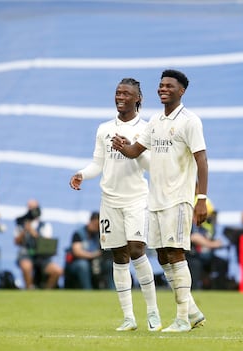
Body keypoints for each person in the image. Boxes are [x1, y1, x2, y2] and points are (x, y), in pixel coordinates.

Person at [112, 69, 208, 332]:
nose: (163, 89)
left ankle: (181, 319)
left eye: (169, 85)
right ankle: (192, 310)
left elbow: (201, 159)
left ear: (181, 91)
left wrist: (202, 198)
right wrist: (123, 145)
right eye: (161, 85)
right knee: (163, 255)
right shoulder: (155, 121)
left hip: (178, 199)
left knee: (176, 253)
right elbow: (136, 151)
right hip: (155, 199)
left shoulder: (190, 121)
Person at [70, 78, 162, 332]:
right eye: (118, 92)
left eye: (126, 93)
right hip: (109, 200)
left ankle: (153, 312)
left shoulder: (146, 129)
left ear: (137, 99)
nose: (120, 96)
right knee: (119, 255)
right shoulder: (103, 129)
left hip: (136, 199)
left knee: (136, 249)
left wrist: (130, 149)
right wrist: (82, 174)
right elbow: (98, 164)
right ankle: (129, 317)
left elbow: (152, 167)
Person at [14, 199, 63, 289]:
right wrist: (24, 231)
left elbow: (46, 243)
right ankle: (29, 289)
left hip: (42, 256)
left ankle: (47, 291)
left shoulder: (45, 225)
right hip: (27, 254)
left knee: (57, 271)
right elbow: (16, 242)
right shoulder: (21, 224)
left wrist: (33, 233)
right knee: (26, 267)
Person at [64, 211, 113, 289]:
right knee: (83, 265)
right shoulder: (79, 234)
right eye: (95, 225)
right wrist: (93, 255)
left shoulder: (99, 235)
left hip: (96, 262)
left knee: (109, 264)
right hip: (79, 262)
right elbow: (77, 252)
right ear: (91, 222)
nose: (96, 227)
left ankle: (112, 291)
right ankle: (88, 290)